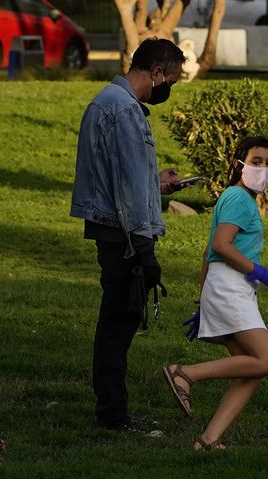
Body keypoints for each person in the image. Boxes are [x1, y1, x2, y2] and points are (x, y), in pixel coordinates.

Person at [70, 38, 187, 433]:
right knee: (118, 327)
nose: (168, 87)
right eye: (170, 79)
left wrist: (157, 183)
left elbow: (123, 180)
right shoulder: (123, 110)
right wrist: (143, 250)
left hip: (114, 231)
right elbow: (128, 193)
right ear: (155, 72)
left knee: (115, 324)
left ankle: (112, 412)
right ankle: (113, 417)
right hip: (123, 238)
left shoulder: (110, 102)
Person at [162, 136, 268, 450]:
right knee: (266, 360)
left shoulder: (239, 198)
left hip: (227, 288)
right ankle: (185, 373)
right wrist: (261, 272)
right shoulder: (238, 197)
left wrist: (203, 302)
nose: (263, 168)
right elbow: (221, 246)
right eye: (256, 161)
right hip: (231, 286)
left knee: (251, 369)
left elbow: (208, 250)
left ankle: (208, 441)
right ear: (239, 164)